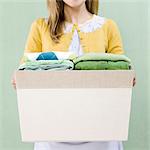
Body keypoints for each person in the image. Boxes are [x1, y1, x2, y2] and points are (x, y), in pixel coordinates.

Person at [11, 0, 136, 149]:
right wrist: (20, 76)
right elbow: (26, 68)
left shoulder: (108, 27)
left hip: (102, 133)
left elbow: (120, 68)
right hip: (51, 133)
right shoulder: (40, 27)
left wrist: (127, 77)